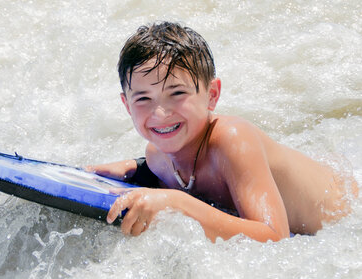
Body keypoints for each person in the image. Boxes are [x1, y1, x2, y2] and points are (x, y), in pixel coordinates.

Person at [88, 21, 356, 242]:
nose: (160, 113)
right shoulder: (157, 157)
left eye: (177, 93)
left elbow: (275, 237)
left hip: (350, 212)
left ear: (212, 95)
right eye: (143, 99)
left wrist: (178, 203)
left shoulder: (234, 140)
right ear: (126, 105)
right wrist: (135, 170)